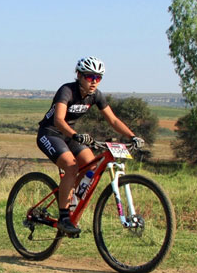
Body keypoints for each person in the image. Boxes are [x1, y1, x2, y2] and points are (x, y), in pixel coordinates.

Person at [36, 56, 144, 235]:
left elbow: (113, 120)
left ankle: (71, 200)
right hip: (50, 133)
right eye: (89, 77)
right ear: (79, 75)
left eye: (98, 78)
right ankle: (64, 217)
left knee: (91, 165)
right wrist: (76, 135)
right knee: (71, 167)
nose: (94, 82)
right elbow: (59, 119)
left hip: (70, 135)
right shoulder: (67, 91)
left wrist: (132, 136)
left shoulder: (96, 96)